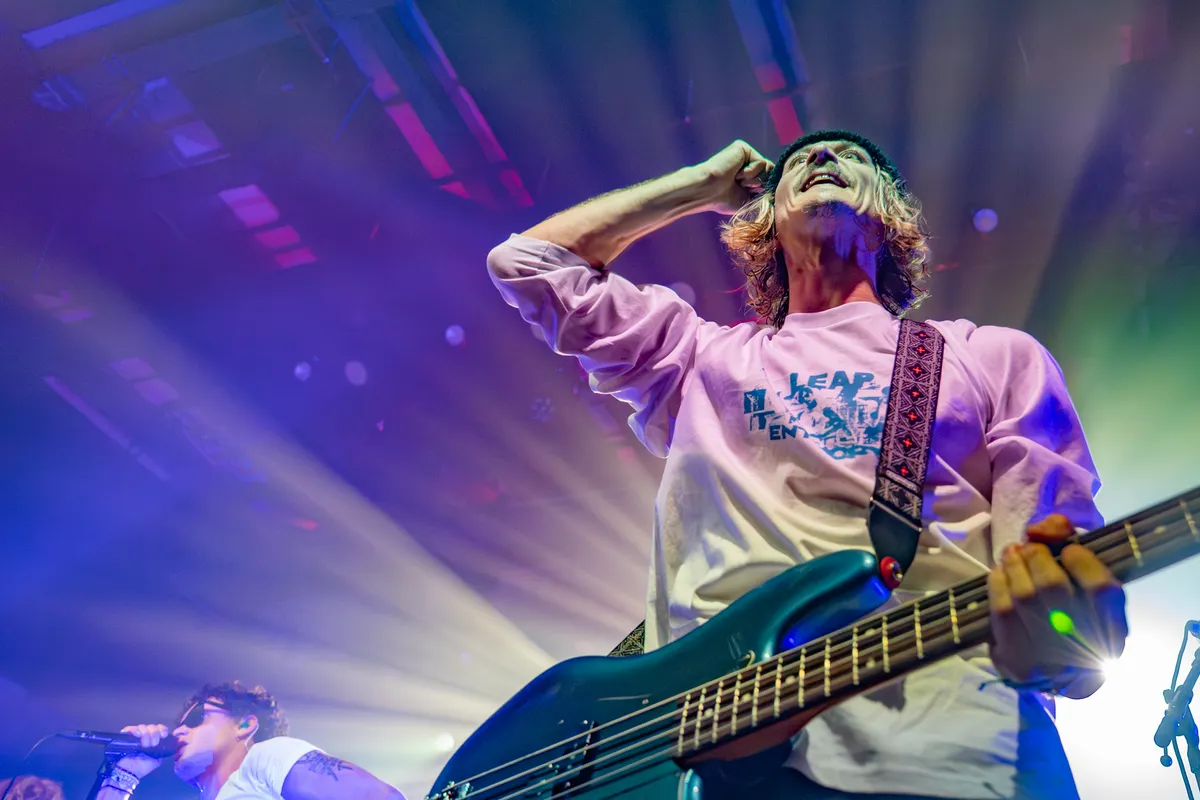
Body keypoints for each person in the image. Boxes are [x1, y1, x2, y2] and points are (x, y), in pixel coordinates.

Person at [485, 131, 1129, 799]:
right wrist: (701, 185)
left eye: (851, 157)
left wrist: (1065, 629)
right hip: (709, 765)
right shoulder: (698, 360)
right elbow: (527, 263)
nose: (822, 157)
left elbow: (1056, 590)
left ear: (891, 212)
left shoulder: (995, 358)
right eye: (800, 161)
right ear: (764, 219)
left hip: (954, 761)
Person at [99, 682, 404, 800]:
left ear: (245, 725)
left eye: (198, 718)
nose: (178, 731)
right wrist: (124, 774)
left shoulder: (266, 758)